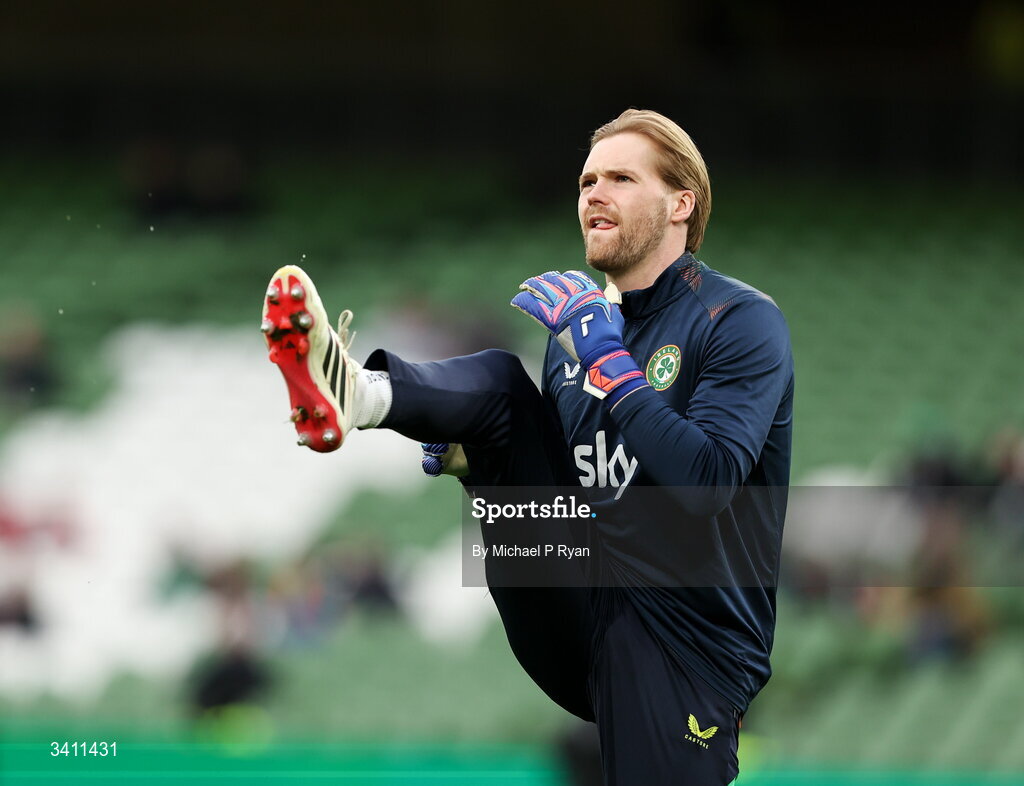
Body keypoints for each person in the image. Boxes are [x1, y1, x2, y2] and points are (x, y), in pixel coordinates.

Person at [261, 109, 794, 785]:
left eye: (621, 178)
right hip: (580, 605)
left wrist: (606, 358)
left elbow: (707, 482)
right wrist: (480, 464)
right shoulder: (573, 339)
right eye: (586, 180)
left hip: (685, 642)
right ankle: (357, 393)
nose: (593, 193)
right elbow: (571, 489)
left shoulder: (740, 320)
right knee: (500, 391)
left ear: (680, 203)